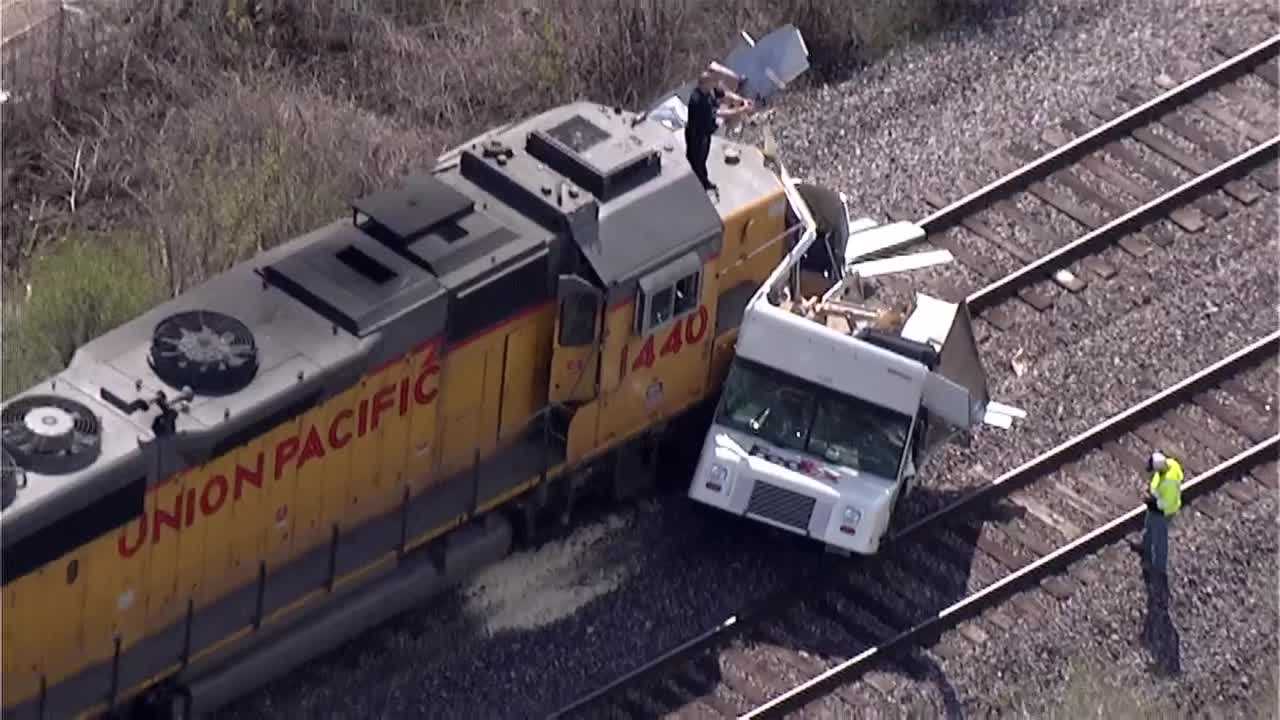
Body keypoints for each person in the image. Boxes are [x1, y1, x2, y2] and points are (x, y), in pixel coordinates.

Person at [685, 69, 753, 192]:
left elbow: (723, 94)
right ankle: (696, 188)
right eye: (711, 83)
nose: (713, 86)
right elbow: (720, 113)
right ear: (703, 84)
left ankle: (704, 182)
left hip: (705, 132)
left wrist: (741, 100)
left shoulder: (708, 91)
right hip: (696, 136)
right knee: (696, 162)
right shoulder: (698, 100)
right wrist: (741, 110)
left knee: (702, 160)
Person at [1139, 450, 1183, 576]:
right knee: (1148, 526)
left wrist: (1153, 503)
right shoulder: (1170, 463)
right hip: (1155, 505)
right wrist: (1151, 492)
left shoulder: (1169, 482)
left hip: (1164, 512)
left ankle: (1159, 568)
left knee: (1160, 540)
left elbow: (1167, 502)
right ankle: (1145, 546)